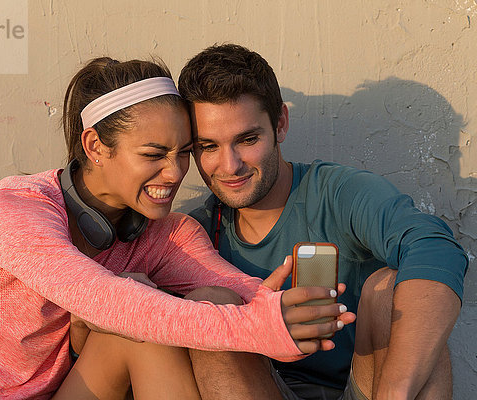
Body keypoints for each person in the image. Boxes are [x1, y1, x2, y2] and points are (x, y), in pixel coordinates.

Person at [0, 56, 354, 400]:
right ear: (95, 145)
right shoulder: (13, 211)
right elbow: (101, 296)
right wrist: (256, 326)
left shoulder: (168, 234)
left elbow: (239, 291)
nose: (175, 173)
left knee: (148, 328)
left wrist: (284, 312)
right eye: (153, 154)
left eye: (184, 152)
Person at [178, 44, 468, 400]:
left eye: (247, 139)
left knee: (389, 287)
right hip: (259, 387)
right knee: (208, 303)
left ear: (280, 124)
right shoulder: (196, 233)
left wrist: (396, 392)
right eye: (208, 146)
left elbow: (435, 247)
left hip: (368, 387)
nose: (230, 165)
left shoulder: (339, 193)